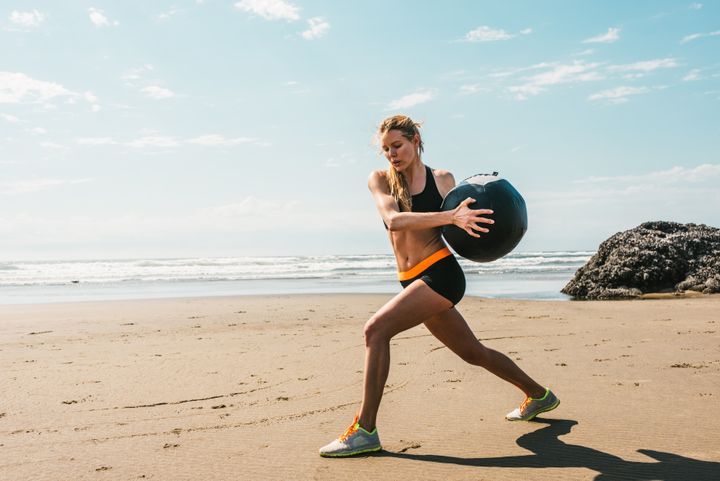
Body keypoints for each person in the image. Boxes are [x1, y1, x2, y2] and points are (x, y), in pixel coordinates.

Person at [318, 115, 559, 458]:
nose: (392, 154)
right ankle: (539, 395)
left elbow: (466, 221)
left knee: (376, 330)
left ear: (416, 140)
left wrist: (484, 232)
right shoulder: (380, 180)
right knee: (473, 353)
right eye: (385, 149)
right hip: (411, 279)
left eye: (397, 146)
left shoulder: (442, 179)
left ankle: (364, 430)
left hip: (441, 275)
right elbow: (394, 221)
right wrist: (450, 217)